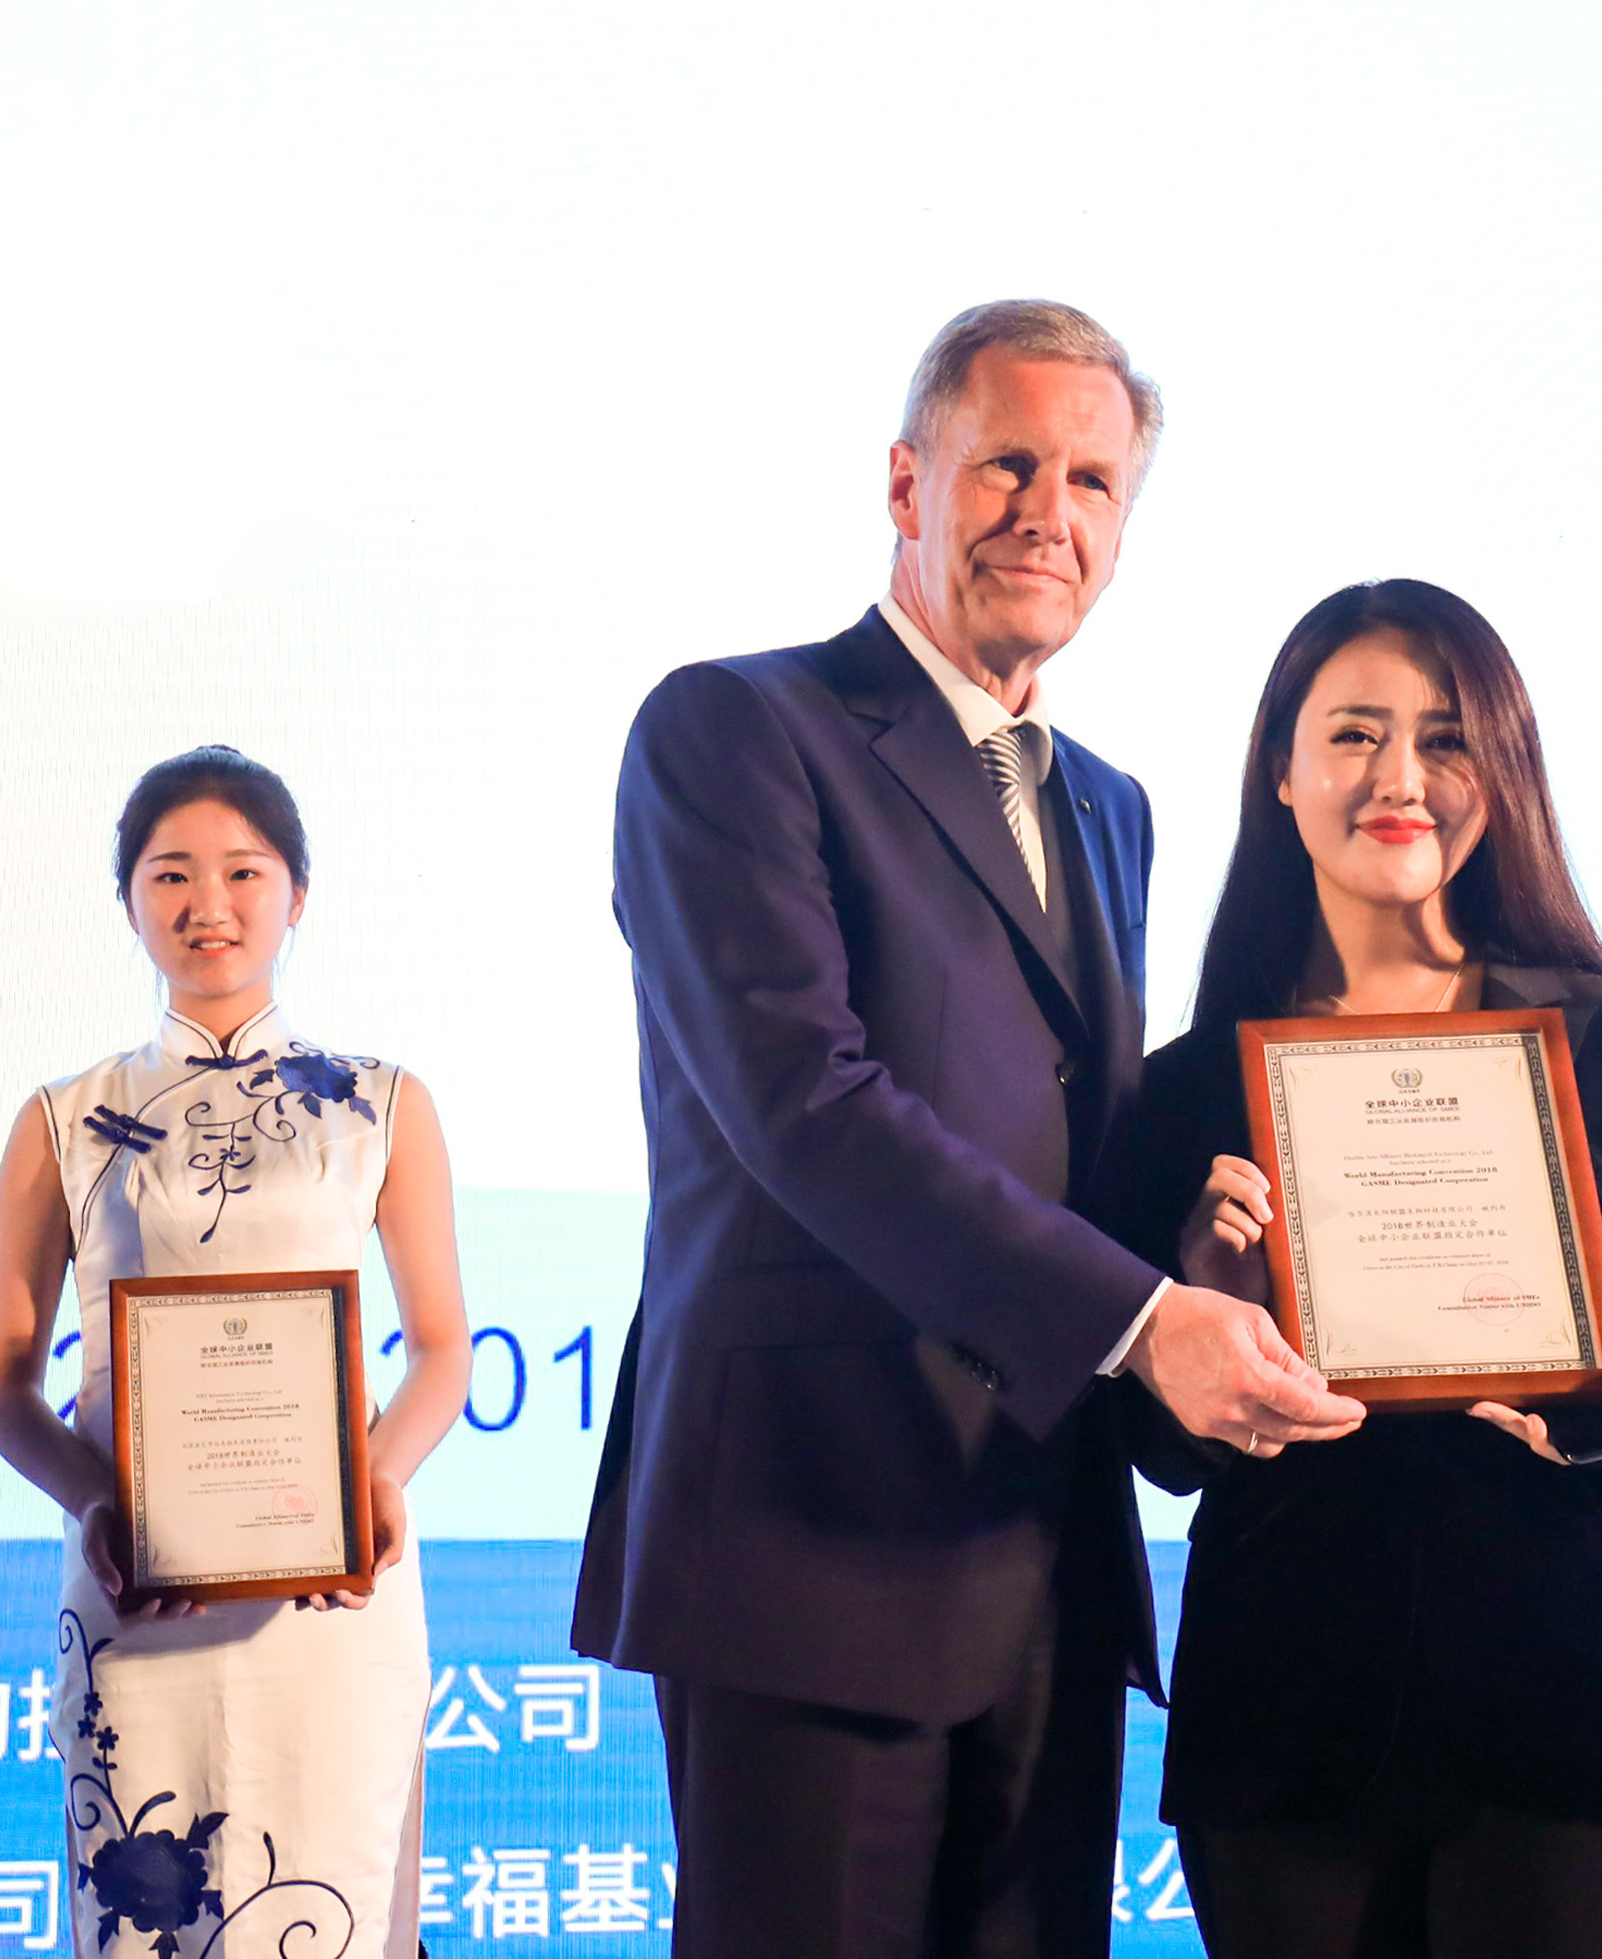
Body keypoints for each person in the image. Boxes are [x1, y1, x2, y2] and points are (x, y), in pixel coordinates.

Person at [571, 299, 1365, 1958]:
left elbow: (1083, 1141)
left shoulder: (1109, 807)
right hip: (810, 1535)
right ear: (905, 481)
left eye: (1092, 482)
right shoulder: (733, 729)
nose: (1046, 513)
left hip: (1042, 1548)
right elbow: (806, 1102)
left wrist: (1199, 1251)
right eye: (1007, 463)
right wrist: (1143, 1320)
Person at [1103, 579, 1602, 1959]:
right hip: (1287, 1713)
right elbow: (1156, 1450)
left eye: (1447, 739)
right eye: (1355, 734)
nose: (1401, 777)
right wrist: (1209, 1301)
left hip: (1571, 1702)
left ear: (1499, 774)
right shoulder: (1185, 1090)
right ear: (1281, 772)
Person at [0, 745, 473, 1959]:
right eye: (171, 874)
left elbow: (442, 1348)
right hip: (142, 1597)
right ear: (128, 901)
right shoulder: (64, 1119)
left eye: (245, 871)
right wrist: (104, 1505)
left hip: (332, 1598)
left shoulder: (383, 1102)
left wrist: (373, 1482)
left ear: (298, 894)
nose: (210, 903)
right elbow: (5, 1388)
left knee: (338, 1906)